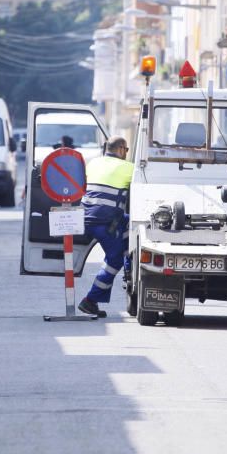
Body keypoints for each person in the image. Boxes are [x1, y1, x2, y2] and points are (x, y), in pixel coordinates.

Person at [77, 136, 134, 318]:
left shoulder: (93, 163)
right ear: (120, 149)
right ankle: (90, 301)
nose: (126, 154)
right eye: (126, 150)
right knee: (114, 259)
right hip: (104, 223)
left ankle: (129, 263)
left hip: (85, 218)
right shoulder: (129, 168)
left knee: (128, 222)